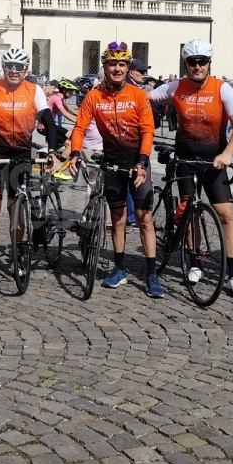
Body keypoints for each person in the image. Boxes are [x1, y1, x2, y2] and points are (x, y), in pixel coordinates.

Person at [149, 39, 233, 295]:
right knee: (190, 211)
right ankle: (195, 263)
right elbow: (144, 98)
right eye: (192, 62)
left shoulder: (222, 88)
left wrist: (227, 153)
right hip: (184, 160)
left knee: (226, 214)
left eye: (202, 62)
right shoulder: (174, 87)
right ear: (186, 64)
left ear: (209, 63)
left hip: (214, 160)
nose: (197, 66)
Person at [67, 42, 160, 296]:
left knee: (144, 219)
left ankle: (151, 275)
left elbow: (147, 131)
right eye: (112, 64)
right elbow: (80, 128)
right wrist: (75, 152)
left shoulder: (138, 95)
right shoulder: (94, 96)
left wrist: (142, 161)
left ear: (127, 67)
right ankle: (119, 270)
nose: (117, 69)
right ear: (105, 67)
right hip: (112, 163)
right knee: (117, 220)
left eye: (121, 64)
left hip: (137, 162)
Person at [0, 48, 57, 279]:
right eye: (9, 66)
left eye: (19, 67)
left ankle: (18, 256)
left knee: (16, 209)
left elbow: (49, 124)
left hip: (21, 155)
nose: (13, 70)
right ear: (3, 67)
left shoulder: (34, 91)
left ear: (26, 70)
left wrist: (51, 150)